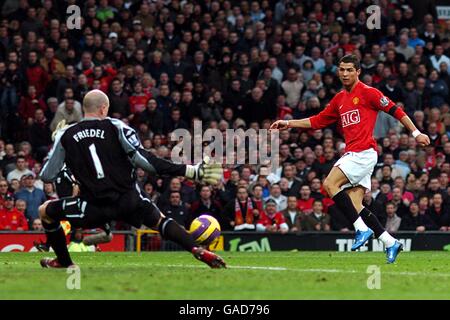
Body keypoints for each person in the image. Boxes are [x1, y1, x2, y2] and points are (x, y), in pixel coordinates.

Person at [270, 54, 431, 263]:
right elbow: (318, 121)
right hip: (355, 153)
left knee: (329, 184)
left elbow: (396, 111)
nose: (345, 74)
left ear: (358, 72)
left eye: (349, 70)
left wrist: (416, 133)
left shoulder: (369, 93)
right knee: (355, 206)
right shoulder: (339, 99)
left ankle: (361, 230)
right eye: (342, 70)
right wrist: (289, 123)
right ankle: (390, 242)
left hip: (363, 152)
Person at [38, 90, 225, 268]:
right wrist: (190, 171)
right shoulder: (116, 126)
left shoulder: (66, 134)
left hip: (92, 206)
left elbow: (47, 175)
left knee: (45, 211)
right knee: (160, 221)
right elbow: (146, 161)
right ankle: (196, 249)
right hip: (128, 200)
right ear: (103, 108)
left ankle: (64, 261)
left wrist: (59, 145)